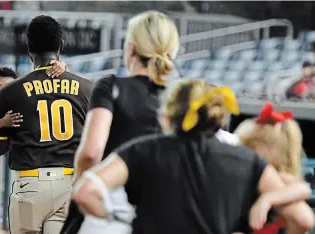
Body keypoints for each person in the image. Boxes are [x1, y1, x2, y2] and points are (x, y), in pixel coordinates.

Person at [72, 80, 315, 234]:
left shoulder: (141, 150)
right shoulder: (249, 162)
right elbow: (303, 219)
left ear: (168, 116)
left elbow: (85, 191)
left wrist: (119, 221)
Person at [60, 11, 180, 234]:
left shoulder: (110, 86)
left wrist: (79, 191)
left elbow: (91, 153)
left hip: (111, 207)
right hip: (163, 213)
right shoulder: (178, 98)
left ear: (132, 48)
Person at [0, 15, 92, 234]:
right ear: (61, 45)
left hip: (30, 184)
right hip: (69, 184)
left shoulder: (9, 92)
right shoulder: (88, 89)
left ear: (29, 49)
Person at [234, 102, 310, 234]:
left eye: (252, 149)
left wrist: (267, 199)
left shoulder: (278, 177)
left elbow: (303, 189)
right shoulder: (247, 178)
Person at [0, 63, 66, 136]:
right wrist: (2, 122)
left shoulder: (31, 90)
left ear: (14, 82)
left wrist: (61, 65)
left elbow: (50, 78)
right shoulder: (2, 113)